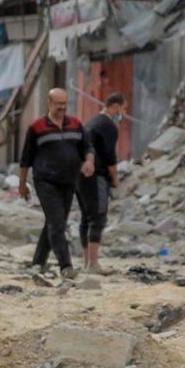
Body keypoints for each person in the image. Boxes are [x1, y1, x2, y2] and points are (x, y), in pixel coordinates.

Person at [18, 88, 94, 278]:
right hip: (45, 181)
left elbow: (87, 147)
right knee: (58, 223)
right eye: (58, 104)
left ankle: (38, 262)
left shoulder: (75, 124)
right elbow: (26, 159)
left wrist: (89, 161)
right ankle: (66, 266)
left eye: (64, 104)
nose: (62, 107)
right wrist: (21, 185)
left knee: (53, 222)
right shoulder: (37, 127)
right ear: (49, 103)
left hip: (69, 182)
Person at [78, 92, 126, 274]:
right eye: (123, 108)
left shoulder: (91, 122)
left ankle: (86, 263)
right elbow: (109, 156)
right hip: (95, 174)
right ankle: (94, 264)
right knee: (98, 217)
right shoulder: (108, 126)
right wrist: (115, 178)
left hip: (79, 174)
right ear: (115, 106)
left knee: (85, 217)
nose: (123, 112)